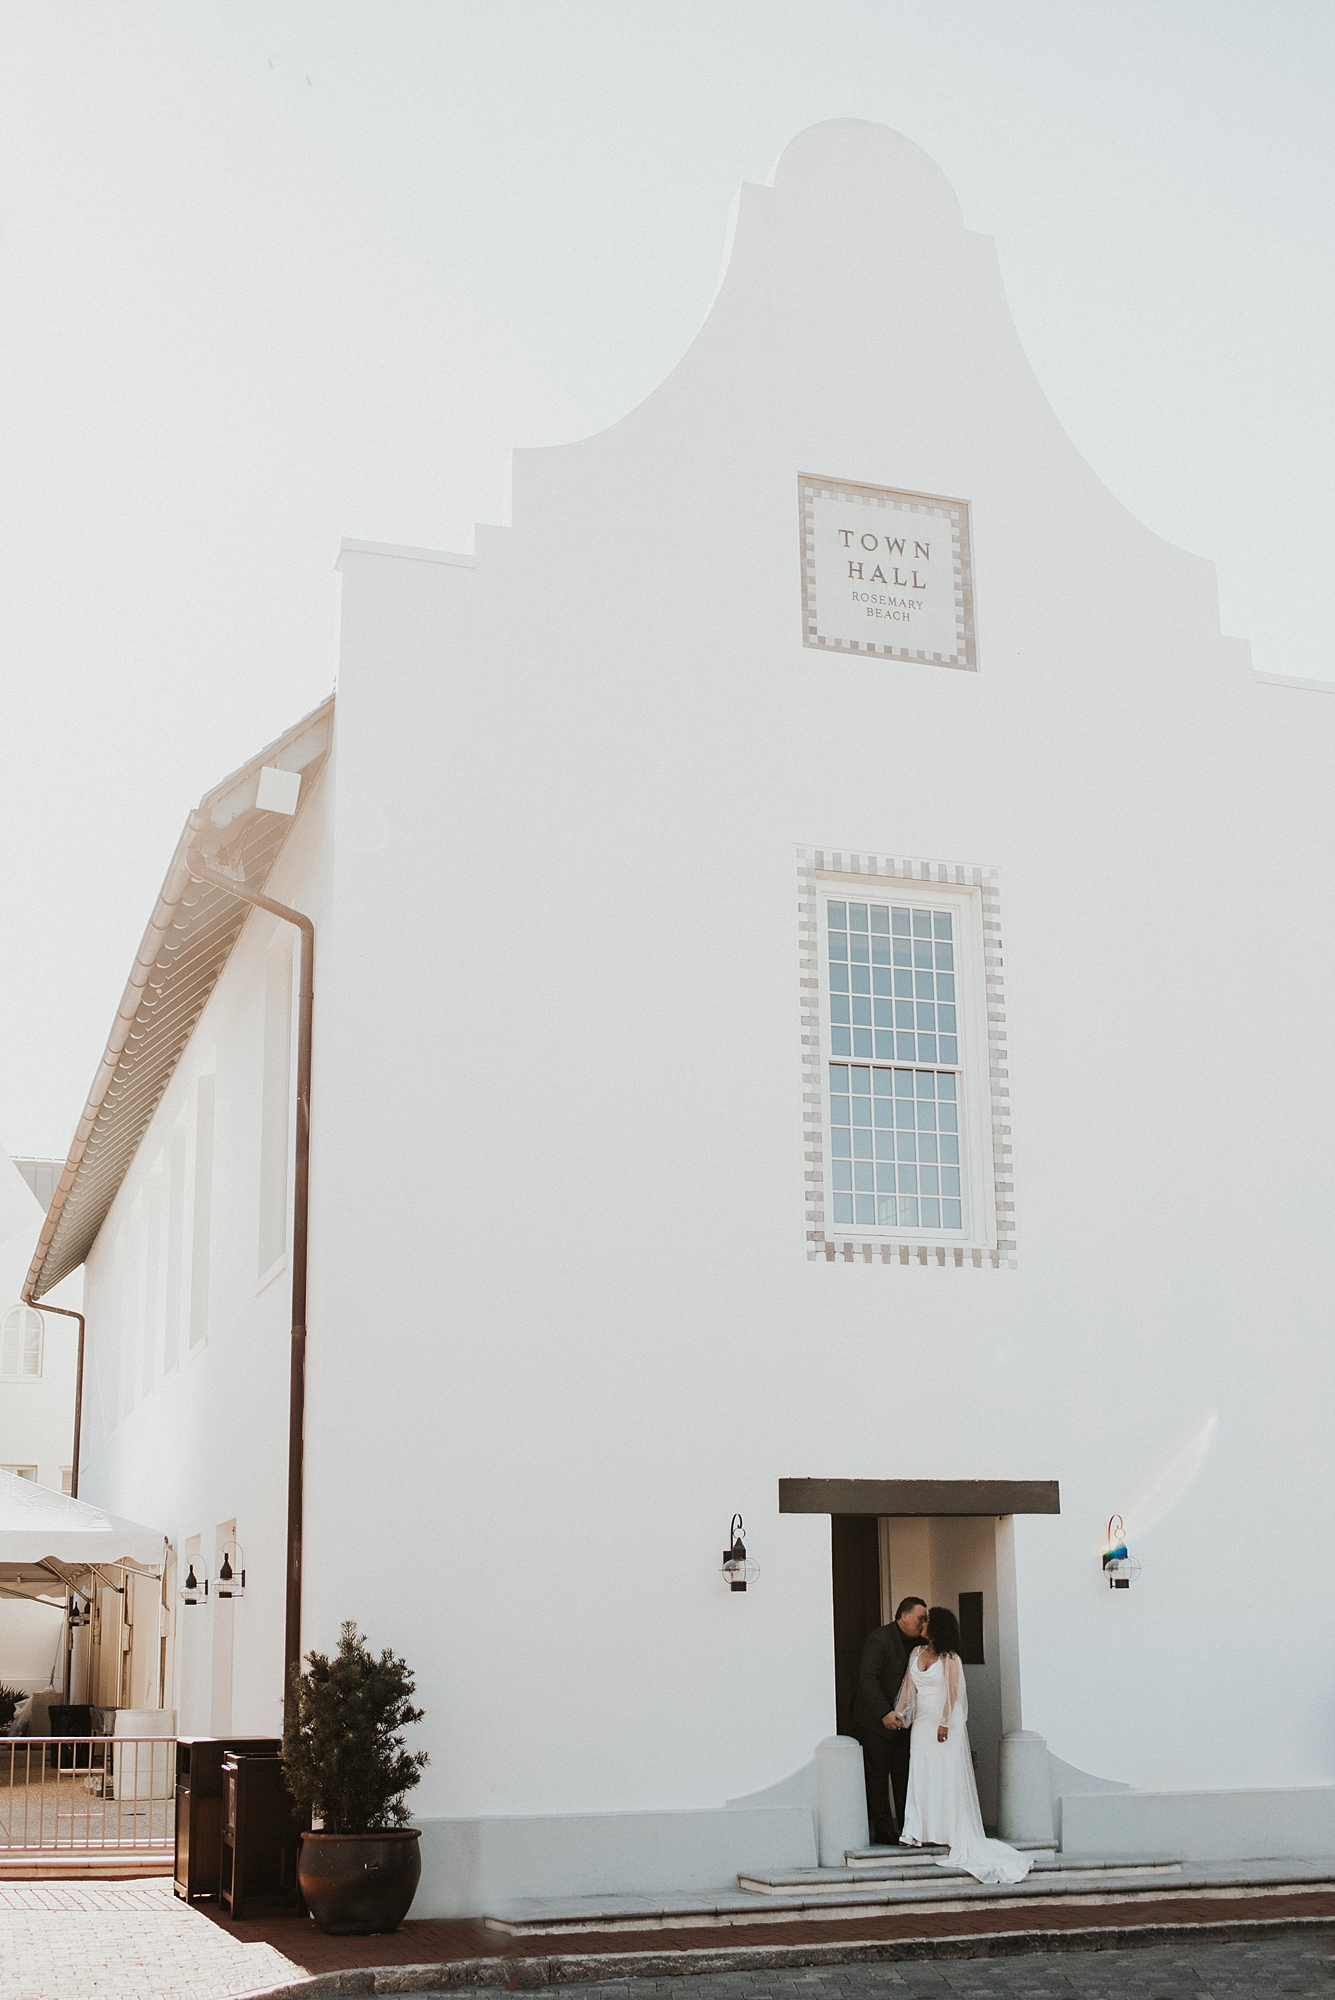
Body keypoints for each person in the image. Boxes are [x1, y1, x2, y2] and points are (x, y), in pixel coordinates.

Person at [889, 1604, 1030, 1885]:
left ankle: (948, 1831)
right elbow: (908, 1686)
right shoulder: (916, 1653)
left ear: (938, 1627)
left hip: (944, 1723)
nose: (923, 1624)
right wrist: (899, 1712)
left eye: (928, 1621)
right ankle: (918, 1830)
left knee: (946, 1774)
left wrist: (944, 1722)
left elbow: (953, 1693)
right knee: (922, 1771)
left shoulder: (950, 1658)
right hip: (921, 1724)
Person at [852, 1596, 927, 1845]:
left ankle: (908, 1827)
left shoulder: (921, 1644)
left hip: (905, 1722)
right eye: (920, 1618)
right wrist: (885, 1713)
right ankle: (883, 1830)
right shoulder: (880, 1639)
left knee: (904, 1774)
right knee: (877, 1775)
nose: (923, 1623)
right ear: (903, 1616)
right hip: (876, 1721)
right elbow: (868, 1677)